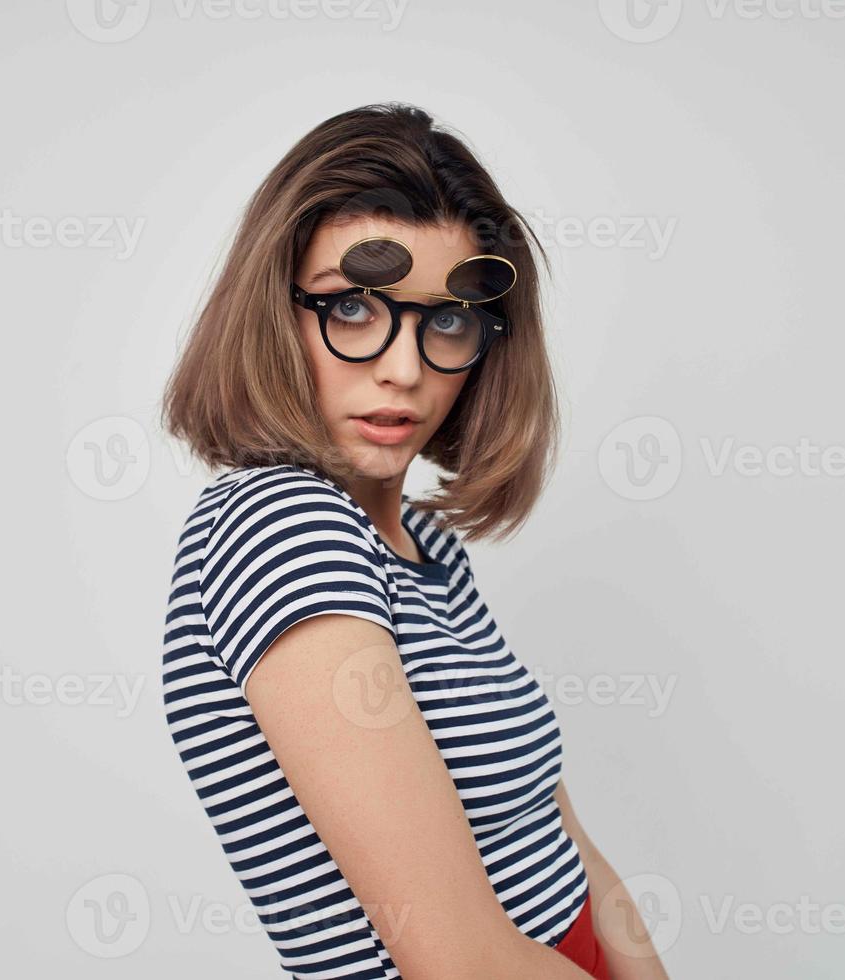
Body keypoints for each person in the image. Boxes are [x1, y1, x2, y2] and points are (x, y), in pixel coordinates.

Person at [160, 102, 668, 979]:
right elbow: (458, 963)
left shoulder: (423, 544)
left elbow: (556, 831)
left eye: (445, 320)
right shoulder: (280, 528)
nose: (402, 367)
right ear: (274, 312)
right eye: (354, 307)